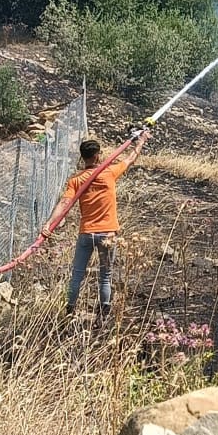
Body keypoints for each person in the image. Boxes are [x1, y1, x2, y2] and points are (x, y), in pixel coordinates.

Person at [51, 131, 149, 322]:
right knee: (105, 276)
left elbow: (64, 203)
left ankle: (69, 312)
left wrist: (49, 224)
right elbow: (130, 159)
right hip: (108, 233)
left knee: (77, 275)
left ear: (83, 157)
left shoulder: (76, 180)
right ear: (97, 156)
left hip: (86, 233)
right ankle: (103, 315)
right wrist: (141, 142)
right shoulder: (109, 173)